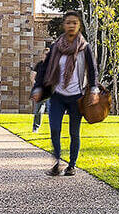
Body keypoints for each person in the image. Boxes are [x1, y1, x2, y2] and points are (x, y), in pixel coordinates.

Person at [32, 10, 100, 176]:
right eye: (68, 22)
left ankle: (71, 164)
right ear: (64, 25)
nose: (71, 25)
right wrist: (39, 88)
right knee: (55, 128)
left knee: (73, 132)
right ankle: (56, 162)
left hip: (76, 96)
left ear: (79, 26)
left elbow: (92, 71)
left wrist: (94, 90)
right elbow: (44, 69)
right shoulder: (56, 47)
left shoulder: (84, 48)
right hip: (57, 95)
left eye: (74, 23)